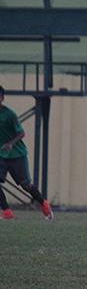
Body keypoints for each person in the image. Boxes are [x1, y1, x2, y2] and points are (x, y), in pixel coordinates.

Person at [0, 85, 54, 221]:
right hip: (1, 156)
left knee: (26, 186)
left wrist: (10, 144)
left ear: (2, 98)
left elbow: (22, 133)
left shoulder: (9, 114)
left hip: (17, 155)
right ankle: (7, 212)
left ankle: (44, 204)